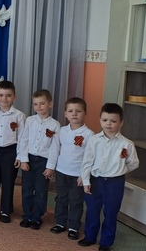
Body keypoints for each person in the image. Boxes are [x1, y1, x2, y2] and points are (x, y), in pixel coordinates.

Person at [78, 103, 139, 251]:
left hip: (115, 183)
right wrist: (85, 181)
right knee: (92, 210)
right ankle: (90, 236)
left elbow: (134, 163)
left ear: (121, 122)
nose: (109, 124)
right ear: (100, 120)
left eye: (113, 121)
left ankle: (106, 242)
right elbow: (87, 162)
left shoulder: (127, 144)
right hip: (95, 180)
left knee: (111, 212)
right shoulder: (94, 140)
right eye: (105, 120)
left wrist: (120, 170)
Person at [50, 97, 94, 240]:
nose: (74, 114)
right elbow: (55, 150)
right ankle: (60, 222)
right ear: (65, 114)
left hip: (77, 175)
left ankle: (74, 227)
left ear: (85, 113)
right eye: (70, 111)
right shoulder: (62, 131)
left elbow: (89, 157)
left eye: (78, 111)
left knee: (76, 201)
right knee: (61, 198)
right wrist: (52, 167)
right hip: (61, 171)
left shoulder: (89, 134)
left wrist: (84, 175)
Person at [0, 80, 26, 223]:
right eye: (1, 95)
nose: (4, 99)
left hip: (10, 151)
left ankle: (5, 210)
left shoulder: (19, 115)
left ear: (14, 97)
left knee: (8, 181)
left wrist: (20, 156)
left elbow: (22, 137)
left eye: (8, 95)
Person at [18, 89, 60, 230]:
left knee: (41, 191)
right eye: (35, 104)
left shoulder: (55, 125)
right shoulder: (29, 121)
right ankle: (27, 215)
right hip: (29, 159)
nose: (39, 107)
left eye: (42, 103)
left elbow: (55, 147)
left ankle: (37, 217)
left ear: (50, 104)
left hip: (44, 161)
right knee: (27, 189)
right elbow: (23, 140)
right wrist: (23, 159)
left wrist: (50, 166)